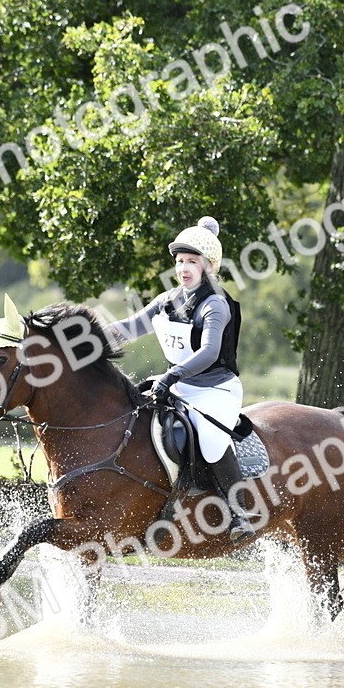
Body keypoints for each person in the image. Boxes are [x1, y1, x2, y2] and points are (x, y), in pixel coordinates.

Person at [106, 216, 254, 543]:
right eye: (179, 261)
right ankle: (166, 501)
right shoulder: (168, 300)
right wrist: (82, 337)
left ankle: (240, 513)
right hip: (177, 385)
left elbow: (209, 352)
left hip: (215, 389)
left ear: (208, 267)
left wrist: (171, 375)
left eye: (191, 262)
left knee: (212, 439)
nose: (183, 268)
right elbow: (129, 328)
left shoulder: (215, 303)